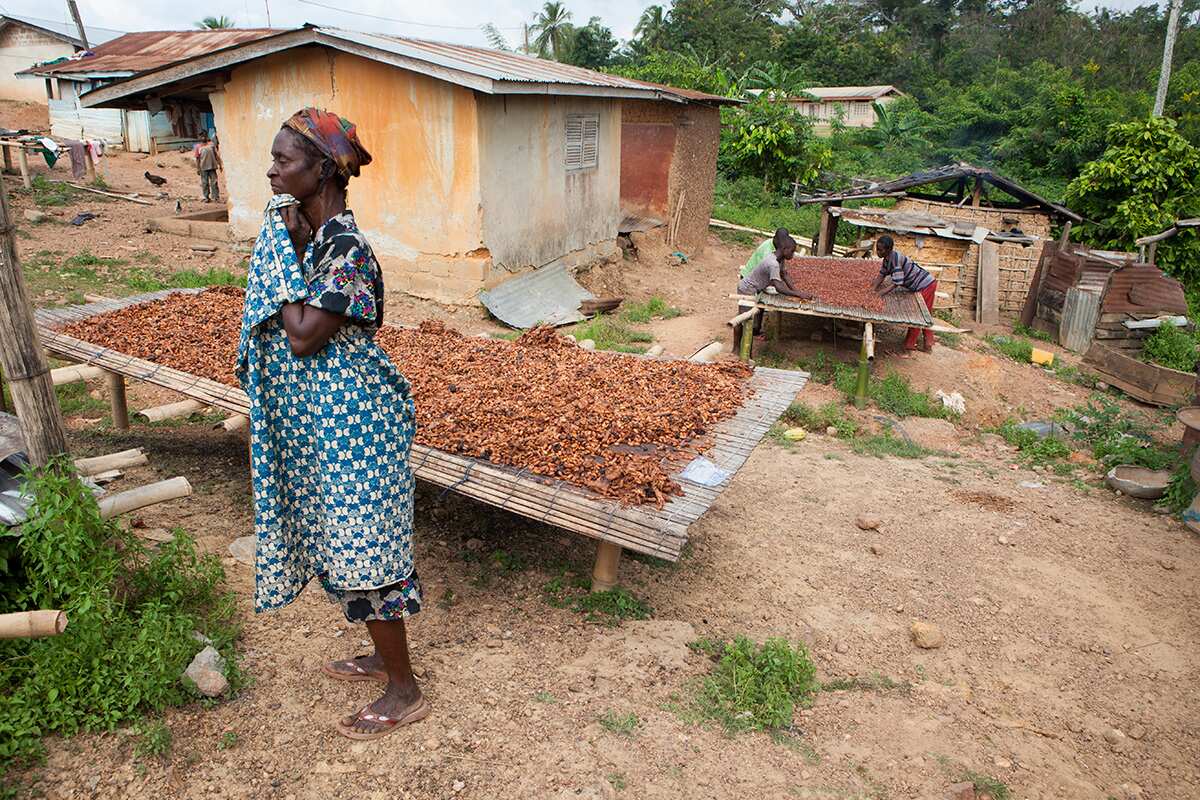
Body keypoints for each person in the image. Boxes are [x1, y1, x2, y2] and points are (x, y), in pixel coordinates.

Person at [237, 107, 427, 741]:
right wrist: (291, 247)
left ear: (321, 170)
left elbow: (302, 336)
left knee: (366, 548)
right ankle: (383, 659)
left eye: (283, 160)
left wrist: (281, 254)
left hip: (360, 424)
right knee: (348, 542)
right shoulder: (315, 241)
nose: (271, 170)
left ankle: (404, 689)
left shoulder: (345, 250)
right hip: (333, 423)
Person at [872, 235, 937, 353]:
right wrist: (872, 289)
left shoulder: (895, 260)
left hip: (925, 284)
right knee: (926, 313)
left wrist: (880, 293)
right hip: (925, 283)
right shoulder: (887, 259)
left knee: (918, 315)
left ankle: (909, 345)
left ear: (888, 250)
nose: (878, 251)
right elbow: (882, 274)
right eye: (877, 248)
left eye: (880, 249)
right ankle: (929, 343)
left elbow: (896, 283)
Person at [736, 234, 813, 300]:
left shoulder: (780, 259)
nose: (793, 254)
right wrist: (797, 294)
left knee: (756, 313)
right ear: (784, 250)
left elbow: (784, 274)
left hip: (755, 289)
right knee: (747, 315)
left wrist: (797, 292)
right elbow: (778, 287)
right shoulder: (773, 263)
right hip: (747, 289)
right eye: (792, 251)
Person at [194, 131, 223, 203]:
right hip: (203, 168)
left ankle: (216, 197)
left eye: (204, 136)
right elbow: (197, 158)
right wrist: (198, 168)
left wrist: (220, 165)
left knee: (214, 182)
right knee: (205, 183)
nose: (203, 137)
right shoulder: (197, 147)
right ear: (199, 137)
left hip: (212, 167)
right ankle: (206, 197)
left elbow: (216, 155)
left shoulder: (211, 145)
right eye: (201, 136)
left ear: (207, 136)